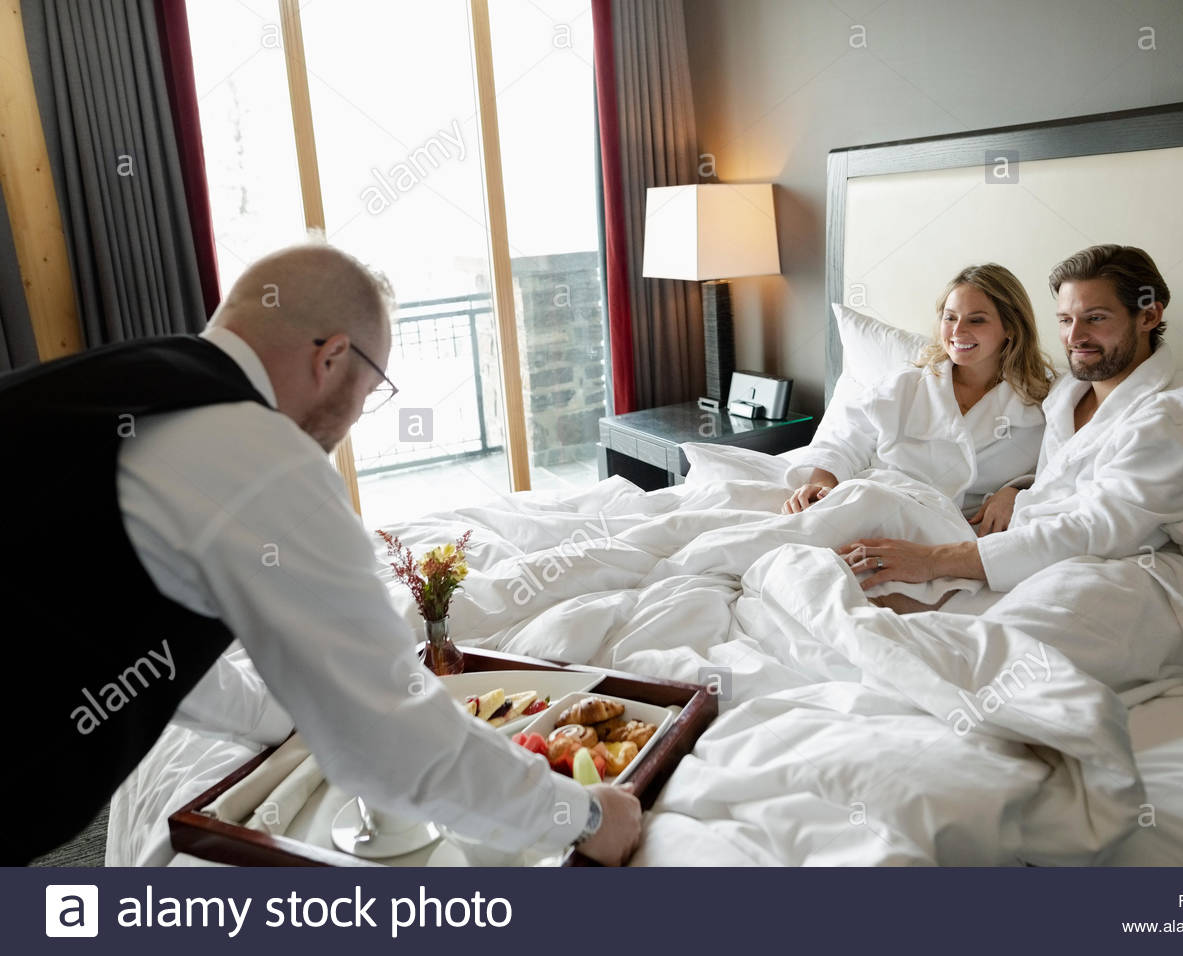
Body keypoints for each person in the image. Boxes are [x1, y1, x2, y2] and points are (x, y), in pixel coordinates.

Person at [1, 241, 640, 865]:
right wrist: (582, 816)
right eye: (369, 394)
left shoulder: (121, 384)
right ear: (332, 356)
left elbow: (155, 654)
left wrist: (291, 717)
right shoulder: (253, 453)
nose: (355, 419)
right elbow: (393, 739)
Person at [839, 244, 1183, 593]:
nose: (1074, 338)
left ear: (1148, 315)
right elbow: (1068, 475)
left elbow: (1097, 528)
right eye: (1065, 320)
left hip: (1124, 576)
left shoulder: (1179, 421)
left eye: (1095, 318)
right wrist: (1017, 489)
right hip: (1027, 555)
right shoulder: (1065, 396)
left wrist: (934, 561)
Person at [783, 263, 1052, 539]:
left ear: (1011, 327)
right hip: (875, 501)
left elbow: (1058, 474)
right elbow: (846, 438)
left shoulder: (1036, 406)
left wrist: (1018, 491)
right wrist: (822, 484)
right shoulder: (908, 384)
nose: (958, 331)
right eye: (950, 318)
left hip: (950, 532)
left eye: (977, 319)